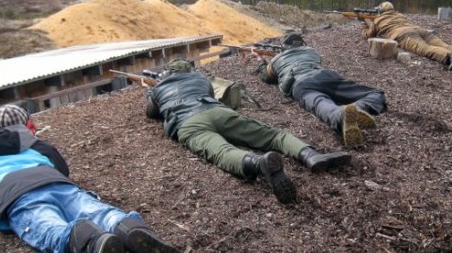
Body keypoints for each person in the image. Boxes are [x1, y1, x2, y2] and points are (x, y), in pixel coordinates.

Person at [0, 104, 187, 253]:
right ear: (28, 125)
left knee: (50, 228)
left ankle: (92, 241)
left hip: (19, 195)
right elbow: (63, 168)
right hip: (58, 184)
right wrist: (33, 140)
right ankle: (128, 227)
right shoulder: (38, 146)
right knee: (99, 212)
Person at [144, 59, 352, 204]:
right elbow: (208, 93)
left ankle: (257, 163)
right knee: (273, 135)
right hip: (217, 111)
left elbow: (152, 113)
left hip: (189, 123)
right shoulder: (199, 79)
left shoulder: (159, 89)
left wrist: (150, 92)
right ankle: (311, 155)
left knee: (222, 152)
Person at [253, 33, 388, 148]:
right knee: (375, 94)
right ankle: (359, 108)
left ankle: (341, 116)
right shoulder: (312, 52)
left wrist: (260, 59)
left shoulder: (277, 59)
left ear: (283, 47)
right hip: (325, 76)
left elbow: (267, 77)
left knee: (320, 104)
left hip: (302, 85)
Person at [362, 1, 452, 71]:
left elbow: (369, 35)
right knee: (446, 45)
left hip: (403, 35)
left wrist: (365, 24)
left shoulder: (377, 20)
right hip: (420, 30)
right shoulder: (399, 14)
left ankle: (450, 57)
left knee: (425, 49)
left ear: (380, 11)